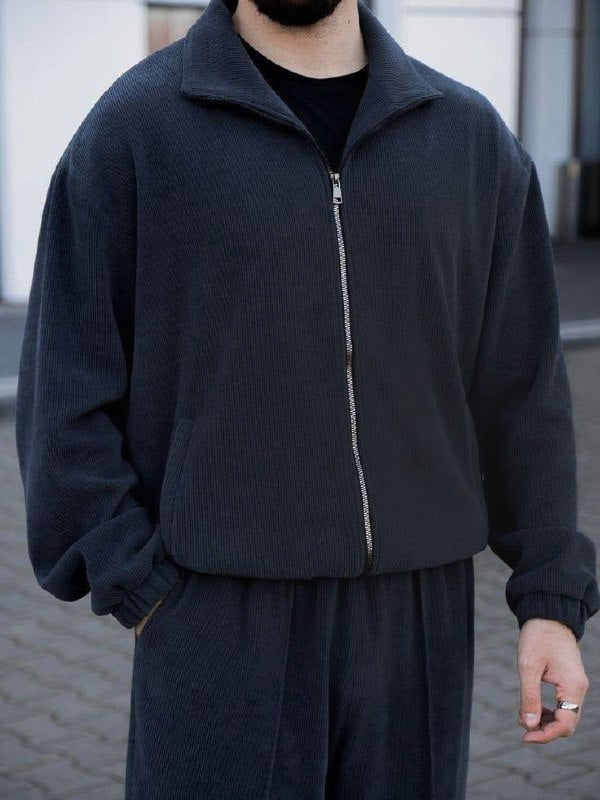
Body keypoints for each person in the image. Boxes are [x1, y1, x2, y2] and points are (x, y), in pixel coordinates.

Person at [15, 0, 599, 797]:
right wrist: (142, 589)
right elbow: (65, 394)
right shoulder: (135, 133)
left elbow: (524, 391)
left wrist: (551, 599)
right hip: (216, 620)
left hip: (417, 625)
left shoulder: (468, 140)